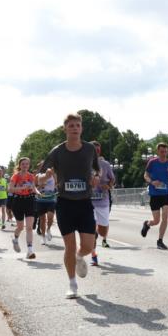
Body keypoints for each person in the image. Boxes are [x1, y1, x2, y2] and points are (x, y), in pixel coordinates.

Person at [40, 113, 101, 299]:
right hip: (65, 203)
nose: (75, 128)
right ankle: (72, 284)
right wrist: (46, 177)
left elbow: (97, 169)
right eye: (71, 125)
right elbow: (39, 177)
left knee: (88, 246)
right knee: (69, 245)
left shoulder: (90, 149)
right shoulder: (57, 151)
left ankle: (79, 257)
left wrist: (96, 177)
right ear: (65, 129)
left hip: (84, 203)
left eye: (77, 125)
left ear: (81, 128)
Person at [141, 142, 168, 250]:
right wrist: (152, 182)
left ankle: (160, 241)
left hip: (166, 193)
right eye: (161, 151)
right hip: (155, 194)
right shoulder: (152, 162)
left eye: (165, 151)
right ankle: (147, 224)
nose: (164, 154)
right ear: (158, 152)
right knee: (156, 221)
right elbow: (145, 175)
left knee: (165, 216)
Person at [89, 142, 116, 266]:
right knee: (91, 230)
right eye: (94, 150)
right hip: (88, 202)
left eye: (98, 150)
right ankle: (93, 255)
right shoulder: (83, 163)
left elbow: (112, 179)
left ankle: (97, 232)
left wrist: (109, 185)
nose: (96, 152)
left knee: (103, 232)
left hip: (103, 201)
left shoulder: (105, 165)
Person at [8, 158, 39, 259]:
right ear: (20, 165)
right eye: (23, 164)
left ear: (29, 165)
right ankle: (15, 239)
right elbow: (10, 189)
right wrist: (21, 188)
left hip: (29, 201)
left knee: (29, 227)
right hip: (18, 202)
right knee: (20, 227)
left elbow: (33, 188)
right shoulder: (16, 176)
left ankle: (30, 251)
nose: (25, 166)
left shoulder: (31, 176)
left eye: (27, 164)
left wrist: (38, 193)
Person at [35, 167, 57, 242]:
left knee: (50, 217)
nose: (50, 173)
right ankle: (43, 237)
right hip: (40, 200)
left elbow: (57, 184)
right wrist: (40, 186)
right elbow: (34, 188)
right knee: (42, 219)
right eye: (49, 172)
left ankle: (48, 229)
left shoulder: (54, 176)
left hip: (51, 200)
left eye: (51, 172)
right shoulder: (39, 176)